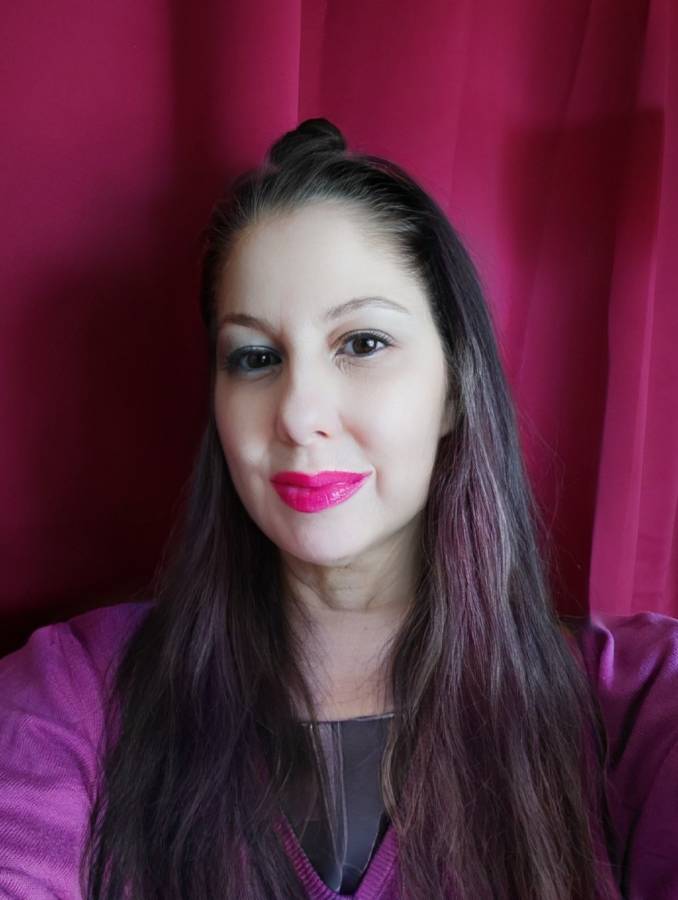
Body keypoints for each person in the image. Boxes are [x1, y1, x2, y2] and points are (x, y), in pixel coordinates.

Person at [0, 117, 676, 900]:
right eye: (256, 358)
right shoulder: (72, 695)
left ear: (455, 388)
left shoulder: (636, 704)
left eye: (361, 344)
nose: (297, 414)